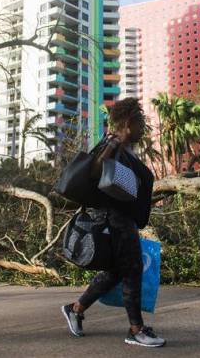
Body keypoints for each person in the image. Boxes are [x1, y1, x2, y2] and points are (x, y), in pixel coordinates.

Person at [60, 97, 165, 348]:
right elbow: (95, 172)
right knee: (132, 270)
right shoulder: (113, 144)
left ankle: (76, 308)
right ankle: (136, 330)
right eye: (140, 124)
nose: (142, 130)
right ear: (129, 123)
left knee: (118, 272)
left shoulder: (125, 148)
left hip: (123, 219)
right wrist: (110, 148)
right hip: (115, 220)